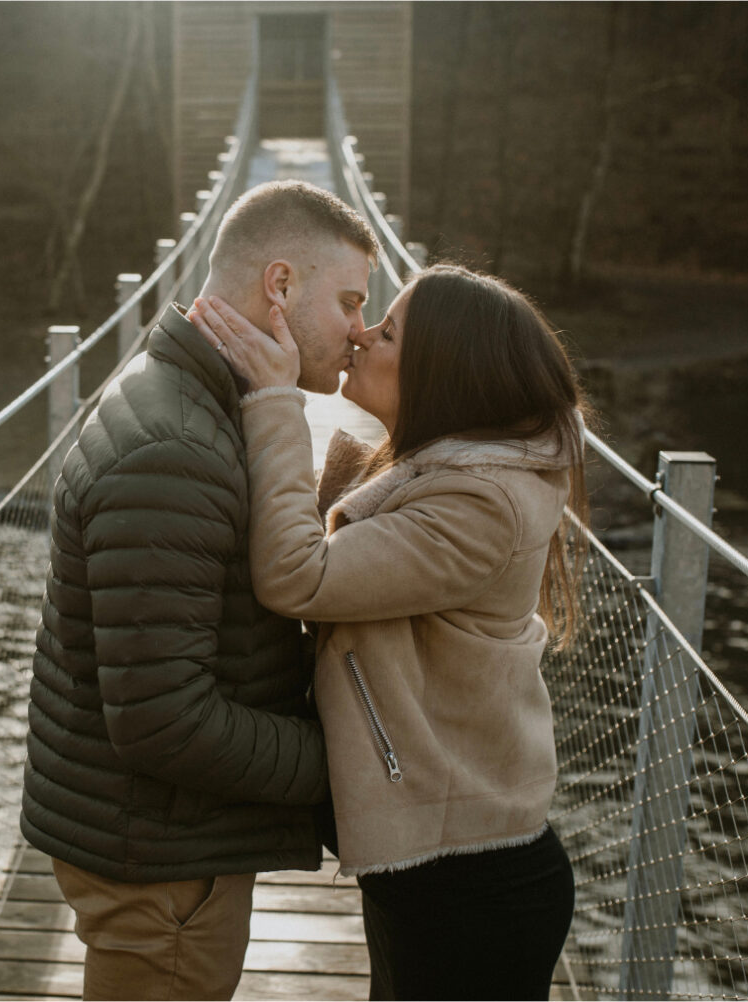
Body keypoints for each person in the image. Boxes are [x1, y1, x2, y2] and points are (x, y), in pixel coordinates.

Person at [19, 180, 380, 1001]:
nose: (360, 332)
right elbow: (160, 718)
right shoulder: (175, 450)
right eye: (351, 302)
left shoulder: (193, 401)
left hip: (158, 838)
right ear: (279, 286)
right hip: (160, 860)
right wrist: (341, 765)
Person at [188, 263, 589, 1001]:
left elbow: (298, 576)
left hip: (474, 886)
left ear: (446, 372)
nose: (361, 335)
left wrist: (276, 399)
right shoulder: (433, 470)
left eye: (387, 330)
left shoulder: (482, 504)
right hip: (430, 865)